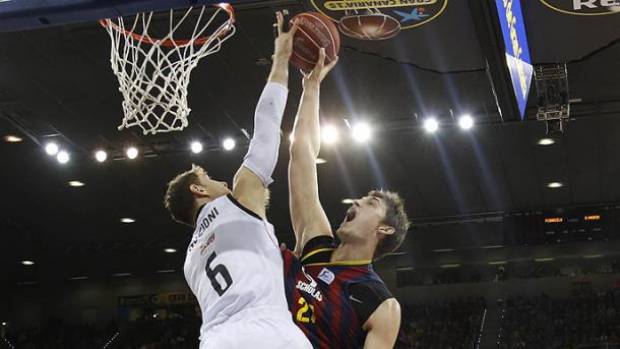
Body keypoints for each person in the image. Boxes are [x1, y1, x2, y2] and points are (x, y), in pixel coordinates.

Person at [163, 12, 311, 349]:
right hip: (266, 331)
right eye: (209, 178)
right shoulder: (236, 203)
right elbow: (267, 125)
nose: (222, 184)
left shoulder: (190, 259)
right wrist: (281, 58)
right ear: (198, 190)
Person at [283, 48, 411, 348]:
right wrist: (311, 85)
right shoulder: (316, 244)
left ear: (384, 229)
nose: (356, 202)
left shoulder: (380, 303)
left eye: (370, 203)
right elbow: (301, 154)